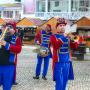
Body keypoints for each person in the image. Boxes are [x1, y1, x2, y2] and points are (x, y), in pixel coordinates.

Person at [50, 18, 78, 90]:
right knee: (59, 81)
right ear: (57, 27)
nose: (62, 27)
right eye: (60, 25)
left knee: (65, 80)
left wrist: (73, 40)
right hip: (58, 62)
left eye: (63, 25)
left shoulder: (68, 36)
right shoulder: (53, 36)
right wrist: (64, 36)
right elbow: (56, 46)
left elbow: (74, 47)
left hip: (67, 61)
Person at [0, 21, 22, 90]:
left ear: (14, 30)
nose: (8, 29)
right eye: (7, 27)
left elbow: (18, 49)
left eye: (11, 27)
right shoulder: (1, 36)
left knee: (6, 86)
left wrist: (7, 45)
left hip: (8, 66)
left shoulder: (17, 39)